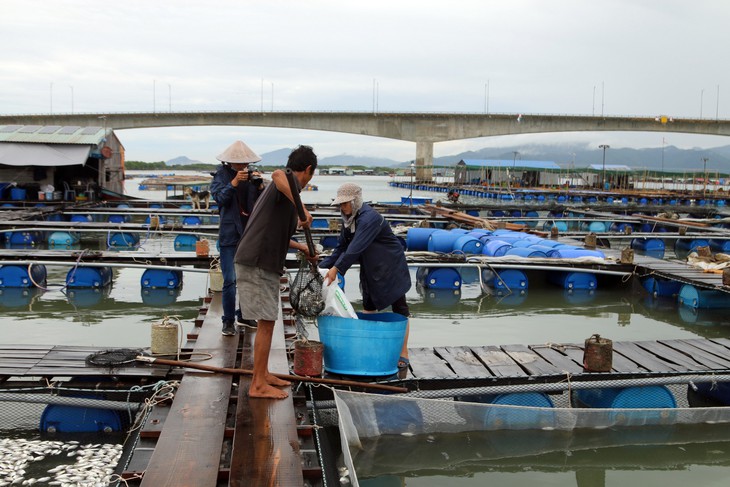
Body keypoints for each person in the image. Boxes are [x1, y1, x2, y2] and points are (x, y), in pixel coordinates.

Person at [234, 145, 318, 399]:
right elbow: (279, 174)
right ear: (309, 170)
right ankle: (258, 384)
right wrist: (301, 208)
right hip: (257, 261)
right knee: (267, 321)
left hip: (263, 260)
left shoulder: (285, 198)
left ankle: (263, 373)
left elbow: (279, 232)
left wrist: (302, 245)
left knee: (267, 321)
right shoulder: (287, 180)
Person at [320, 183, 412, 369]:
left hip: (390, 266)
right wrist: (321, 268)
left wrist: (336, 269)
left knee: (399, 307)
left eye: (345, 204)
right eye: (340, 205)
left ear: (355, 202)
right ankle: (371, 344)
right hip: (370, 267)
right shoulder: (349, 221)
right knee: (368, 304)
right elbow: (342, 248)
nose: (342, 209)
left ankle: (404, 351)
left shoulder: (370, 218)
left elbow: (355, 248)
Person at [210, 140, 265, 336]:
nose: (243, 166)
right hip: (229, 235)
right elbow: (219, 200)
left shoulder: (251, 176)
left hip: (248, 233)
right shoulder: (221, 176)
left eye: (246, 162)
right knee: (230, 280)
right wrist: (233, 184)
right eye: (240, 162)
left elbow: (259, 205)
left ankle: (245, 315)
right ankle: (228, 321)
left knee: (247, 278)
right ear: (231, 162)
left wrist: (259, 187)